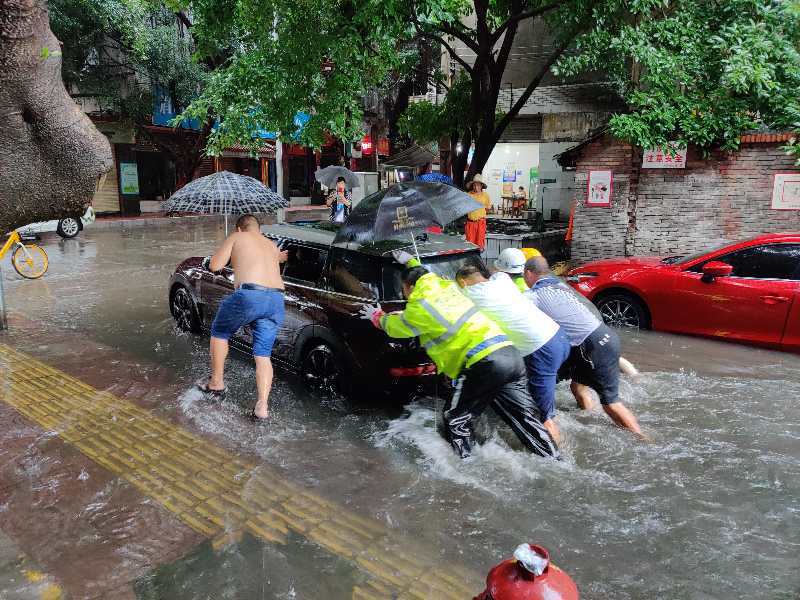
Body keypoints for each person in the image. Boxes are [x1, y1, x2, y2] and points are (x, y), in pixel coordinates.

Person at [362, 251, 559, 460]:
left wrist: (378, 317)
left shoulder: (420, 306)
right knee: (525, 419)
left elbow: (398, 328)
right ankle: (555, 460)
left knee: (454, 417)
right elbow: (424, 279)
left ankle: (466, 469)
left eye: (403, 289)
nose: (404, 294)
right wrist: (410, 260)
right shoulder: (448, 287)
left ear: (409, 287)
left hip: (482, 363)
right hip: (510, 355)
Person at [522, 256, 644, 437]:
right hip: (606, 335)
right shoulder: (561, 285)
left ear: (528, 273)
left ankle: (642, 439)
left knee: (611, 403)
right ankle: (589, 420)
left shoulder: (534, 296)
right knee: (578, 388)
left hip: (590, 346)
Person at [456, 263, 571, 444]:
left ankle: (560, 462)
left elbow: (445, 297)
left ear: (463, 282)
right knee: (545, 399)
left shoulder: (470, 295)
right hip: (560, 337)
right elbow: (498, 272)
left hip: (541, 349)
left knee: (544, 416)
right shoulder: (503, 281)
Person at [199, 214, 288, 422]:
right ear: (259, 228)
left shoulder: (237, 237)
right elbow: (278, 259)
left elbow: (215, 265)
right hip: (276, 300)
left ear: (240, 228)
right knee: (263, 355)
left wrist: (225, 249)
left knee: (219, 332)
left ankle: (216, 383)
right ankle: (262, 406)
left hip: (250, 295)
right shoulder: (271, 245)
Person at [464, 174, 490, 250]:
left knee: (479, 245)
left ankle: (478, 260)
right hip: (470, 223)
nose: (476, 187)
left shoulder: (485, 195)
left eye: (478, 185)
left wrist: (479, 214)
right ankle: (470, 260)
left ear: (481, 186)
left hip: (481, 223)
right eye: (474, 185)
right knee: (470, 244)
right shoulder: (468, 195)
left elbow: (487, 208)